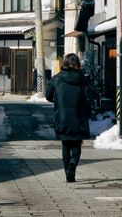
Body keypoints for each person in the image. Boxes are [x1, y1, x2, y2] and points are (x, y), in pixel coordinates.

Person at [46, 53, 91, 182]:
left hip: (62, 116)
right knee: (77, 144)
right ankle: (73, 163)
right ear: (77, 64)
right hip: (79, 116)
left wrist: (59, 101)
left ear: (63, 64)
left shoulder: (57, 78)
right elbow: (88, 99)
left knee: (66, 145)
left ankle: (68, 175)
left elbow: (48, 96)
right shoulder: (83, 80)